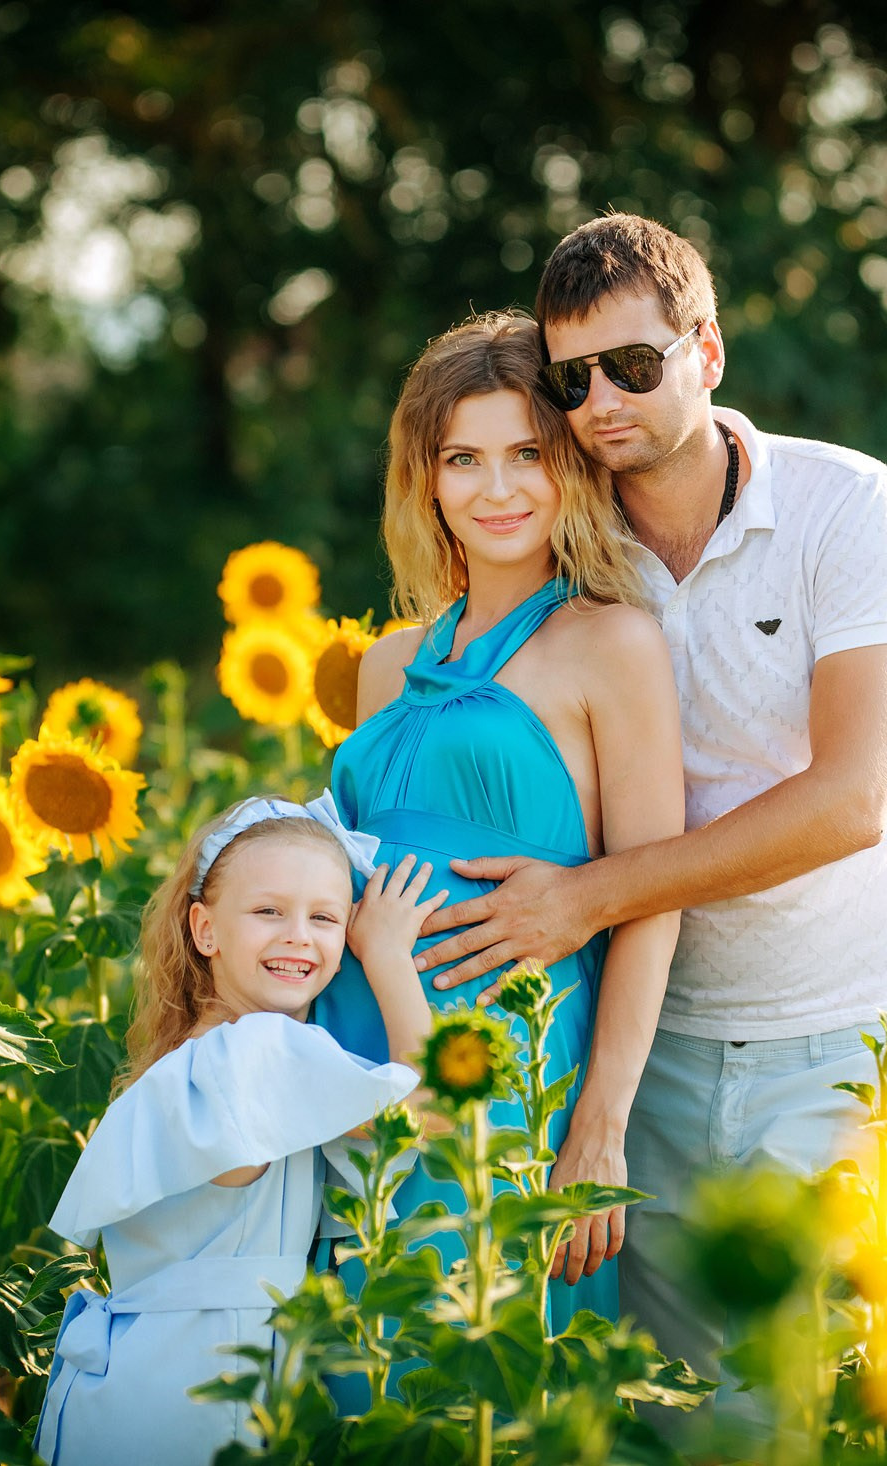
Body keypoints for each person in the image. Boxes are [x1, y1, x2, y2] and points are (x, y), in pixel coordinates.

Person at [415, 214, 887, 1439]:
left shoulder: (843, 504)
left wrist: (586, 893)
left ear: (707, 350)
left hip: (833, 1033)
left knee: (785, 1405)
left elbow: (849, 799)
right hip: (637, 1032)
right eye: (572, 378)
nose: (599, 401)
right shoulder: (563, 530)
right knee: (652, 1407)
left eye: (634, 365)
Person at [309, 310, 685, 1365]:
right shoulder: (385, 665)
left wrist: (599, 1125)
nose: (498, 487)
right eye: (463, 458)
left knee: (499, 1377)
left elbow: (650, 892)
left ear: (567, 460)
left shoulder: (609, 642)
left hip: (519, 1079)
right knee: (358, 1380)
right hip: (358, 1059)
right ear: (425, 479)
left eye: (526, 452)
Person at [34, 795, 443, 1466]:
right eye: (267, 911)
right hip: (201, 1396)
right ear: (205, 930)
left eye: (325, 918)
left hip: (142, 1382)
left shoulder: (196, 1053)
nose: (298, 936)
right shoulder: (253, 1053)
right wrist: (391, 956)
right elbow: (430, 1113)